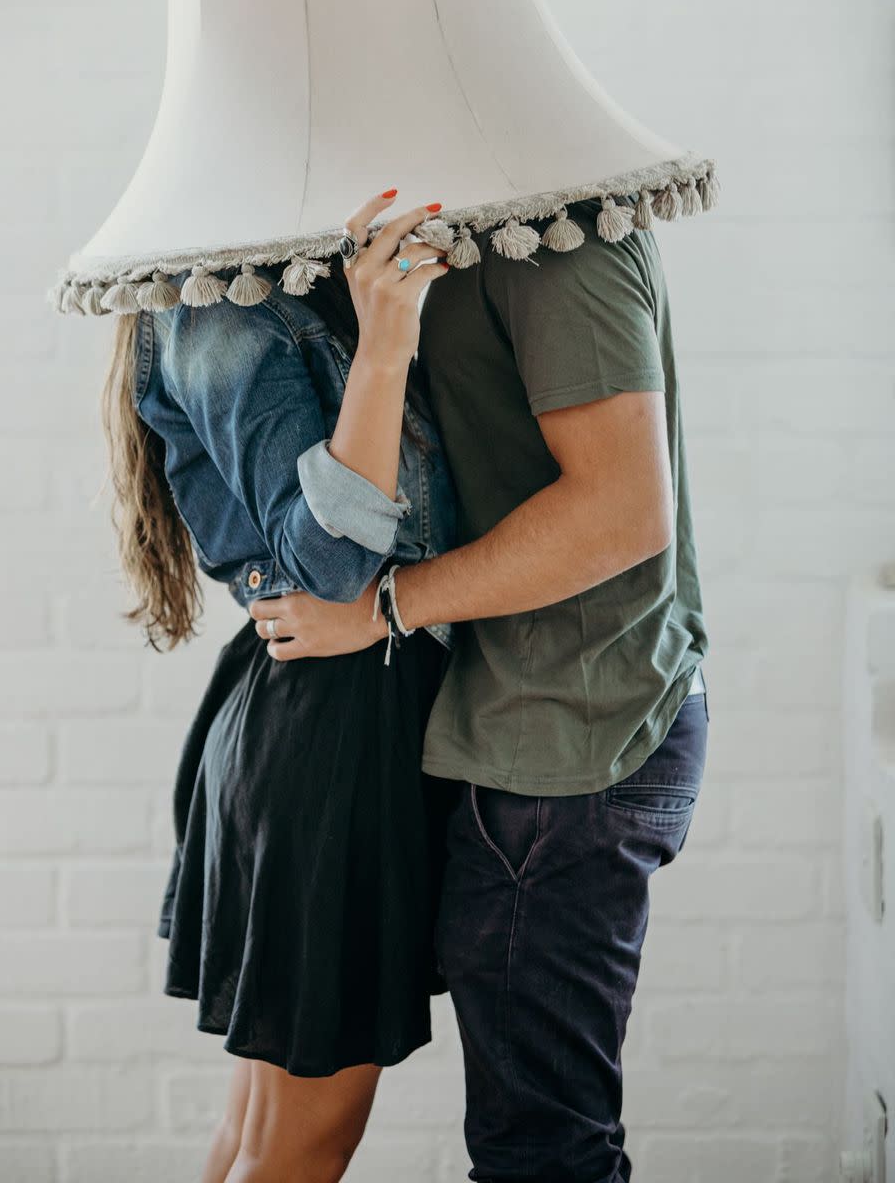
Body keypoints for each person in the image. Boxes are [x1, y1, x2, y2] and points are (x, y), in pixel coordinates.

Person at [249, 194, 710, 1183]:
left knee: (540, 1153)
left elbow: (623, 509)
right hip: (530, 726)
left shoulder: (556, 232)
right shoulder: (471, 220)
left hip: (565, 743)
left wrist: (382, 609)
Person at [99, 191, 459, 1183]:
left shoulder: (251, 288)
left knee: (260, 1137)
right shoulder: (223, 308)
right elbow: (331, 570)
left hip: (308, 721)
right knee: (304, 1146)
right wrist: (387, 347)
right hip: (331, 741)